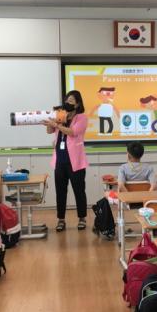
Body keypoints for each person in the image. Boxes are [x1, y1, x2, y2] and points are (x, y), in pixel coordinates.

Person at [44, 90, 89, 232]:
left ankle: (82, 218)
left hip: (75, 162)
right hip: (60, 160)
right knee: (60, 191)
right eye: (66, 100)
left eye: (70, 101)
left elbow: (72, 132)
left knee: (79, 191)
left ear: (77, 104)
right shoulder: (60, 115)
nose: (67, 103)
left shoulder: (81, 118)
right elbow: (49, 131)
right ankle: (61, 219)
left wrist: (57, 125)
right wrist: (50, 121)